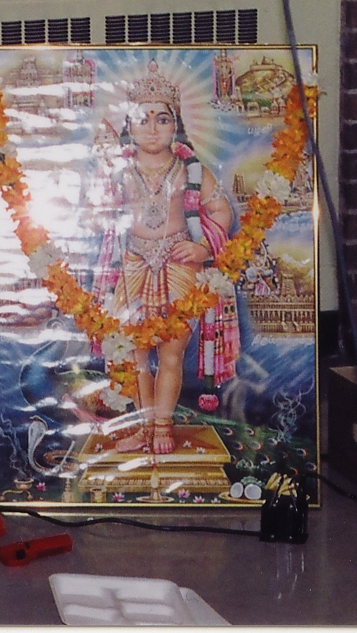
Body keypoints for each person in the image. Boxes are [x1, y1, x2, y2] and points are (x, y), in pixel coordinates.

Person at [86, 63, 236, 455]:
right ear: (129, 126)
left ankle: (163, 426)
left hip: (180, 264)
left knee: (170, 352)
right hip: (132, 265)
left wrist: (203, 249)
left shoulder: (191, 169)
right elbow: (96, 215)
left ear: (176, 126)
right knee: (134, 354)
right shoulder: (120, 169)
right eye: (143, 119)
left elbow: (221, 211)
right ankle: (143, 428)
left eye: (162, 119)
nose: (152, 128)